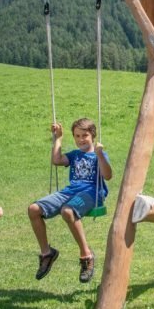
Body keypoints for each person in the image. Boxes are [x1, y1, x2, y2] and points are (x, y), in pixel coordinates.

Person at [28, 118, 112, 283]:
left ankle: (86, 256)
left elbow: (108, 175)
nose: (81, 139)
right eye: (77, 136)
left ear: (93, 135)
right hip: (71, 191)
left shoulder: (99, 154)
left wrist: (100, 154)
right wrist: (58, 138)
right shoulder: (75, 155)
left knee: (67, 211)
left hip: (92, 193)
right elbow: (57, 160)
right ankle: (47, 253)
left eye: (85, 135)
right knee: (33, 209)